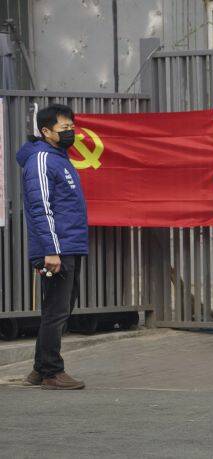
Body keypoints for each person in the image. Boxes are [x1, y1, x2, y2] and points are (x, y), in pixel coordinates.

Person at [18, 104, 88, 390]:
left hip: (68, 245)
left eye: (72, 126)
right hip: (56, 248)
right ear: (46, 131)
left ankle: (39, 369)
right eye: (64, 128)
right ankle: (51, 371)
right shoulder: (42, 159)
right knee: (57, 310)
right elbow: (40, 209)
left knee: (59, 309)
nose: (70, 131)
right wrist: (51, 250)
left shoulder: (59, 157)